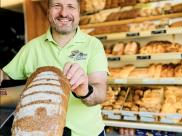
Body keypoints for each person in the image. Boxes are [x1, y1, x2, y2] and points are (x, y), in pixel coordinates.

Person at [0, 0, 108, 135]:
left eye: (71, 6)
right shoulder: (31, 48)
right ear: (48, 11)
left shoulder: (93, 45)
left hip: (87, 133)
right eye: (57, 6)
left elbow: (101, 93)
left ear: (78, 12)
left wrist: (86, 91)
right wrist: (4, 91)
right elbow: (5, 84)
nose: (63, 13)